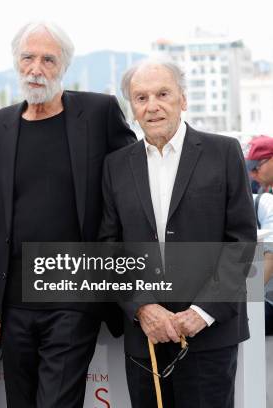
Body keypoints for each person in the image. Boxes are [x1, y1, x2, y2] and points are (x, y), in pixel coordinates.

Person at [0, 21, 136, 407]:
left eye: (48, 59)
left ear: (63, 65)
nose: (36, 68)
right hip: (11, 302)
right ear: (16, 62)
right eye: (28, 57)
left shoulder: (99, 113)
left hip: (74, 295)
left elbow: (131, 187)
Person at [99, 58, 256, 407]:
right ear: (132, 109)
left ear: (182, 100)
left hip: (210, 337)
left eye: (162, 94)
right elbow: (109, 249)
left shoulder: (224, 153)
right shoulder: (116, 166)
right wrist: (142, 308)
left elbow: (241, 243)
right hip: (146, 340)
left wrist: (202, 312)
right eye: (140, 98)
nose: (152, 106)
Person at [245, 135, 273, 335]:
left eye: (257, 167)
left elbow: (271, 255)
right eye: (250, 168)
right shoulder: (265, 190)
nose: (253, 174)